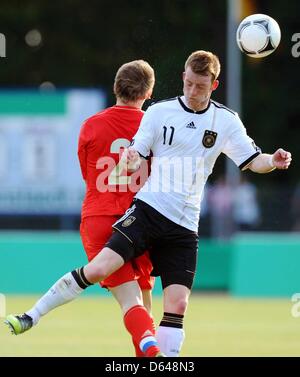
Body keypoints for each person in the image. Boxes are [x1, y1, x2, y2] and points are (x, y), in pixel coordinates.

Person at [5, 50, 292, 357]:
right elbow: (135, 155)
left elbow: (252, 160)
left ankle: (159, 358)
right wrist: (129, 160)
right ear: (183, 77)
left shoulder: (226, 121)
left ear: (214, 85)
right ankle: (32, 315)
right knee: (102, 270)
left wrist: (272, 161)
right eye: (189, 83)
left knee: (176, 305)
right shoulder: (158, 113)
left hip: (184, 225)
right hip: (147, 211)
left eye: (201, 86)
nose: (193, 91)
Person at [5, 60, 163, 358]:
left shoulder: (91, 125)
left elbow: (88, 174)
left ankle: (33, 315)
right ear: (149, 91)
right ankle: (153, 353)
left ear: (116, 87)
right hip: (139, 220)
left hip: (99, 218)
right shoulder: (153, 126)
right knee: (142, 300)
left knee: (132, 302)